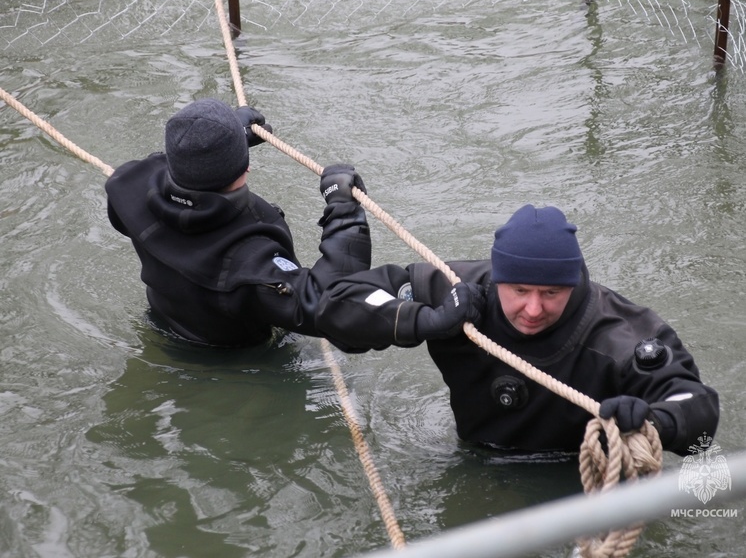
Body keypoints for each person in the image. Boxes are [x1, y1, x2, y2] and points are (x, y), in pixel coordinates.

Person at [316, 204, 719, 456]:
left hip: (572, 477)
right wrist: (425, 320)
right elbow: (337, 301)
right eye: (519, 290)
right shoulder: (457, 291)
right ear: (498, 280)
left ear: (573, 284)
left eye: (551, 292)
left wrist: (655, 420)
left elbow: (697, 404)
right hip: (474, 458)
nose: (532, 308)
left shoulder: (619, 336)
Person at [105, 98, 371, 347]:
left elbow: (165, 164)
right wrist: (344, 210)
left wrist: (225, 140)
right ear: (246, 168)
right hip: (235, 362)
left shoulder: (126, 188)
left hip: (162, 326)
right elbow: (334, 304)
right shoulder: (248, 260)